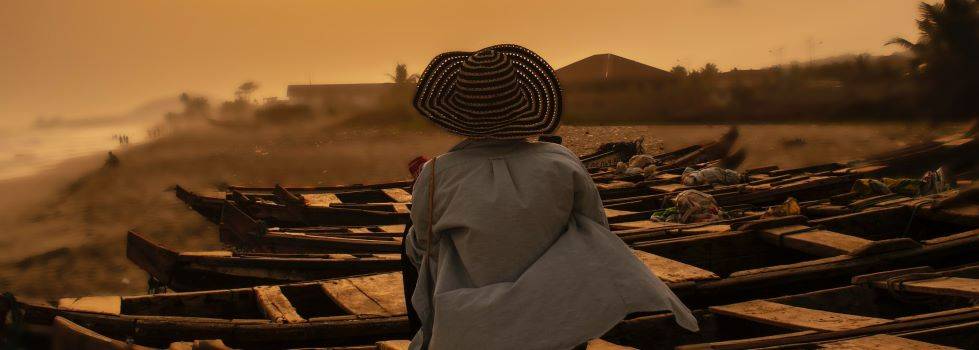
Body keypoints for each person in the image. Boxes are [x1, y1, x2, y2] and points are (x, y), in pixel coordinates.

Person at [403, 44, 697, 349]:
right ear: (521, 107)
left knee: (410, 239)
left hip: (469, 313)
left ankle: (425, 335)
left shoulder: (437, 173)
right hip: (558, 313)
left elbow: (424, 245)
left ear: (459, 114)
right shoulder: (561, 161)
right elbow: (598, 230)